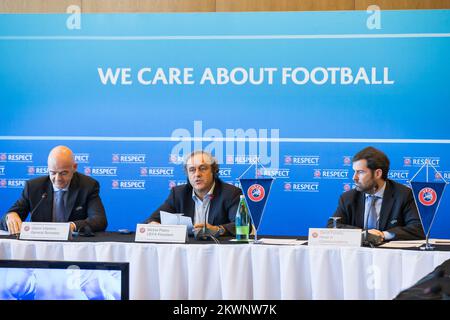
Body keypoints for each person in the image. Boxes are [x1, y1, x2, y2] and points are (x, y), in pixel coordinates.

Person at [0, 145, 107, 234]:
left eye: (63, 173)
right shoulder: (33, 187)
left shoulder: (88, 185)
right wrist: (10, 216)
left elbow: (99, 220)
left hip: (74, 246)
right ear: (48, 168)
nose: (58, 178)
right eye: (53, 172)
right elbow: (5, 219)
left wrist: (72, 226)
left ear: (74, 167)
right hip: (39, 246)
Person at [328, 146, 425, 241]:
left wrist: (383, 235)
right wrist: (364, 234)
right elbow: (333, 226)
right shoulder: (348, 197)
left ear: (378, 173)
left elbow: (418, 228)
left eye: (360, 172)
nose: (354, 177)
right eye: (354, 172)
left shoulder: (404, 194)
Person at [145, 150, 242, 236]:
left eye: (203, 168)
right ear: (187, 174)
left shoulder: (231, 193)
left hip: (218, 250)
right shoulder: (178, 194)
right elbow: (151, 220)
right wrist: (155, 226)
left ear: (214, 171)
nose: (197, 174)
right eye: (192, 170)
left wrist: (217, 230)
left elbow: (241, 224)